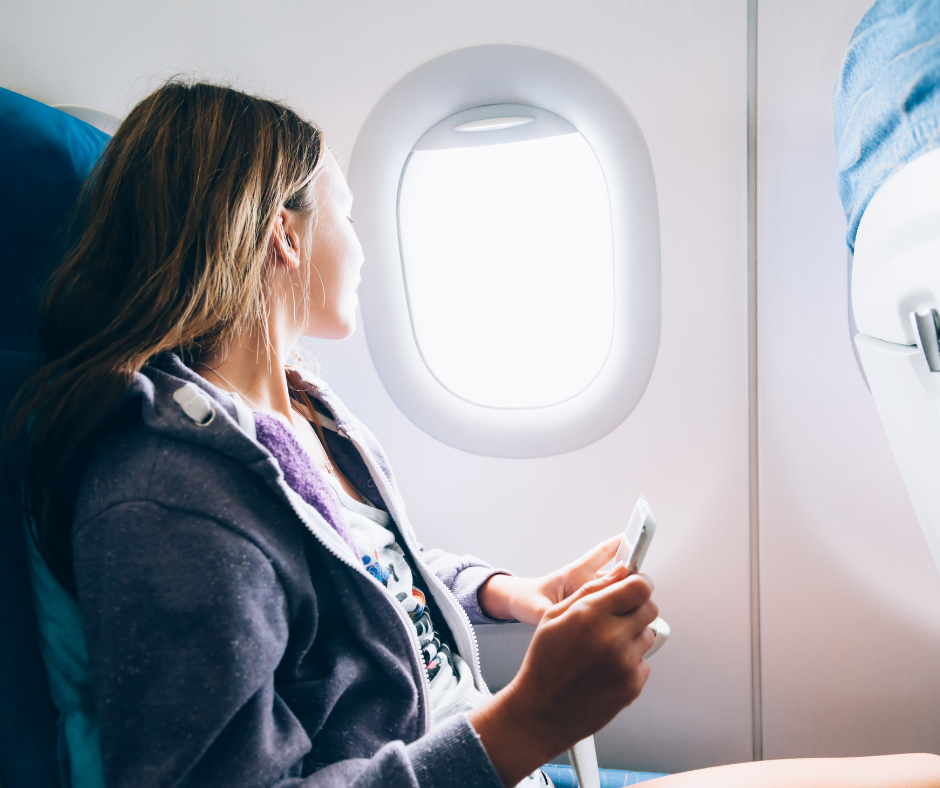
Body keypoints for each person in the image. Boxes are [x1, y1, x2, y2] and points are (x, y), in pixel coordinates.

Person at [9, 19, 940, 781]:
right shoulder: (165, 499)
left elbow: (363, 575)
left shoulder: (296, 414)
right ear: (282, 238)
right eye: (344, 210)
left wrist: (506, 592)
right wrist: (523, 724)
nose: (363, 246)